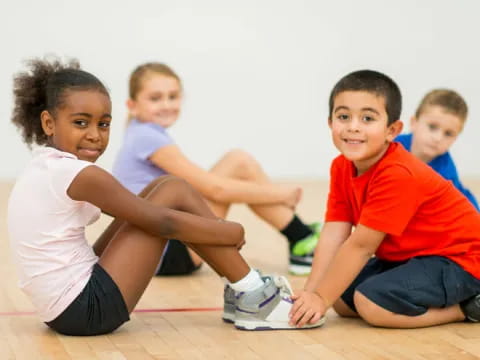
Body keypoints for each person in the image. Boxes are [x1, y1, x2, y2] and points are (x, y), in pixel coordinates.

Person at [7, 57, 324, 335]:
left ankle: (244, 288)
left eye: (103, 125)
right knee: (171, 194)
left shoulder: (46, 167)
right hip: (86, 311)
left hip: (65, 308)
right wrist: (227, 231)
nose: (94, 134)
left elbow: (134, 216)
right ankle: (253, 292)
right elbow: (164, 223)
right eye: (81, 123)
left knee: (170, 186)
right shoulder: (77, 174)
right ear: (48, 123)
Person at [288, 70, 480, 329]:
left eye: (367, 118)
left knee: (371, 304)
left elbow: (361, 246)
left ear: (392, 130)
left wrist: (320, 298)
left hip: (461, 259)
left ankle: (467, 308)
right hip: (413, 256)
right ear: (330, 122)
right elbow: (335, 232)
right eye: (343, 116)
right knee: (343, 301)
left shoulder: (398, 173)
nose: (353, 126)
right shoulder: (341, 166)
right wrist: (312, 293)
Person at [112, 62, 320, 276]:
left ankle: (302, 238)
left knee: (238, 161)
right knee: (238, 164)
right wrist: (282, 194)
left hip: (164, 246)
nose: (166, 104)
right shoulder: (147, 137)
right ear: (132, 105)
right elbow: (215, 190)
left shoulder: (141, 133)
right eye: (155, 98)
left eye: (172, 96)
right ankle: (302, 240)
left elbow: (198, 187)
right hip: (165, 254)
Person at [396, 89, 479, 210]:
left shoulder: (446, 174)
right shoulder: (391, 145)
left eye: (448, 134)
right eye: (432, 127)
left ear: (455, 138)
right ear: (414, 123)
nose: (438, 138)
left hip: (463, 206)